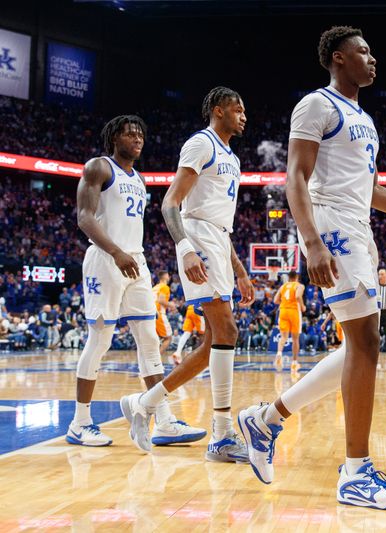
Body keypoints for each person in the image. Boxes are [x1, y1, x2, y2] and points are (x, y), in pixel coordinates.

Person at [237, 25, 386, 510]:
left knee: (359, 345)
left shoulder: (364, 119)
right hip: (329, 225)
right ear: (337, 58)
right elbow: (296, 178)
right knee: (366, 341)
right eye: (363, 51)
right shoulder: (316, 105)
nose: (373, 59)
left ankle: (267, 418)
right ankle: (354, 472)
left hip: (358, 227)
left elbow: (371, 192)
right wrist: (311, 242)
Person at [119, 87, 255, 462]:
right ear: (217, 110)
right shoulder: (201, 143)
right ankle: (223, 435)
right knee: (227, 331)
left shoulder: (233, 157)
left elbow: (221, 223)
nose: (244, 115)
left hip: (217, 241)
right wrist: (185, 247)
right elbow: (170, 203)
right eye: (237, 109)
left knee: (213, 342)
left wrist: (240, 270)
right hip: (196, 240)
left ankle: (144, 403)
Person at [70, 115, 204, 448]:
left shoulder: (140, 179)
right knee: (100, 340)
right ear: (114, 137)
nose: (138, 138)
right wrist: (115, 252)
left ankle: (164, 420)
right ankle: (80, 422)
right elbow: (84, 217)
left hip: (136, 261)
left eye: (141, 134)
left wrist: (127, 254)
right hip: (106, 260)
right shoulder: (98, 167)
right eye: (130, 134)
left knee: (148, 339)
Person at [274, 271, 306, 371]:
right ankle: (294, 362)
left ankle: (279, 354)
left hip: (283, 311)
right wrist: (302, 306)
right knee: (295, 339)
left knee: (283, 337)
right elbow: (297, 296)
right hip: (294, 312)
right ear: (297, 277)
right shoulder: (299, 286)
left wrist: (284, 303)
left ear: (288, 277)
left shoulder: (283, 286)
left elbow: (275, 300)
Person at [153, 271, 173, 356]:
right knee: (168, 338)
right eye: (168, 275)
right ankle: (157, 359)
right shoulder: (164, 287)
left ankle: (152, 359)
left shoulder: (155, 287)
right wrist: (171, 305)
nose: (169, 277)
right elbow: (161, 300)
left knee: (156, 338)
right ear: (165, 276)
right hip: (159, 314)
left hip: (151, 314)